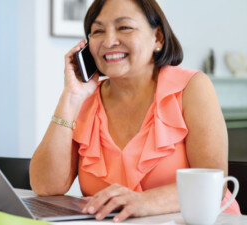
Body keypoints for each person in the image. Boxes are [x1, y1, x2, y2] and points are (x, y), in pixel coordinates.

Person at [29, 0, 241, 222]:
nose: (109, 41)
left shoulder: (192, 87)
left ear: (157, 38)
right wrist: (70, 97)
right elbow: (45, 185)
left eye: (124, 27)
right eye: (98, 31)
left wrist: (145, 201)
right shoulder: (85, 99)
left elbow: (213, 184)